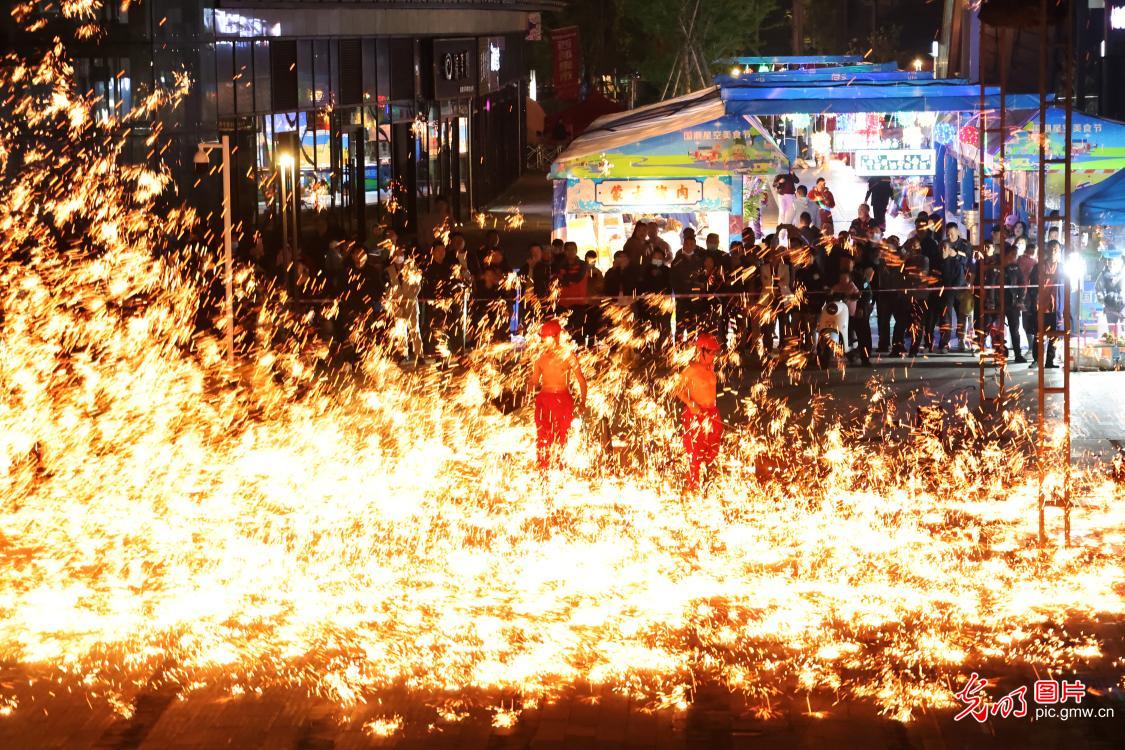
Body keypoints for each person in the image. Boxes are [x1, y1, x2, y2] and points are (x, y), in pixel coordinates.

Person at [529, 319, 587, 470]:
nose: (544, 342)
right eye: (543, 339)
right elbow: (534, 381)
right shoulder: (540, 359)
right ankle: (543, 468)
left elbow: (581, 379)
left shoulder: (568, 356)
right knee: (543, 436)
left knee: (561, 437)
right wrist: (525, 389)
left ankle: (559, 468)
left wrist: (583, 402)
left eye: (546, 338)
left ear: (556, 336)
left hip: (562, 401)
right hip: (544, 400)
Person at [676, 332, 722, 489]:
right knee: (695, 451)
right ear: (701, 351)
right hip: (696, 415)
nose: (714, 355)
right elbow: (677, 389)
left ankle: (707, 479)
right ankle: (694, 485)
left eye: (715, 352)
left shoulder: (711, 367)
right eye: (711, 352)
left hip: (712, 413)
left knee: (713, 448)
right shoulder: (690, 370)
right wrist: (690, 403)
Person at [1028, 240, 1063, 367]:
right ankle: (1037, 360)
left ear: (1059, 251)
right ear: (1047, 250)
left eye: (1055, 249)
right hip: (1040, 306)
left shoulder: (1062, 267)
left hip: (1056, 306)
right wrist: (1033, 299)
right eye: (1051, 249)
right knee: (1039, 334)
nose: (1053, 252)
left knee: (1054, 335)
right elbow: (1031, 285)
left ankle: (1049, 361)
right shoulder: (1038, 267)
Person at [1002, 243, 1027, 363]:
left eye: (1016, 255)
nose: (1014, 257)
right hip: (1000, 302)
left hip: (1013, 303)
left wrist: (1020, 300)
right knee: (998, 330)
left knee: (1015, 330)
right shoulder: (999, 267)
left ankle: (1018, 354)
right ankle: (1001, 352)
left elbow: (1023, 285)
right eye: (1012, 254)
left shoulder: (1016, 268)